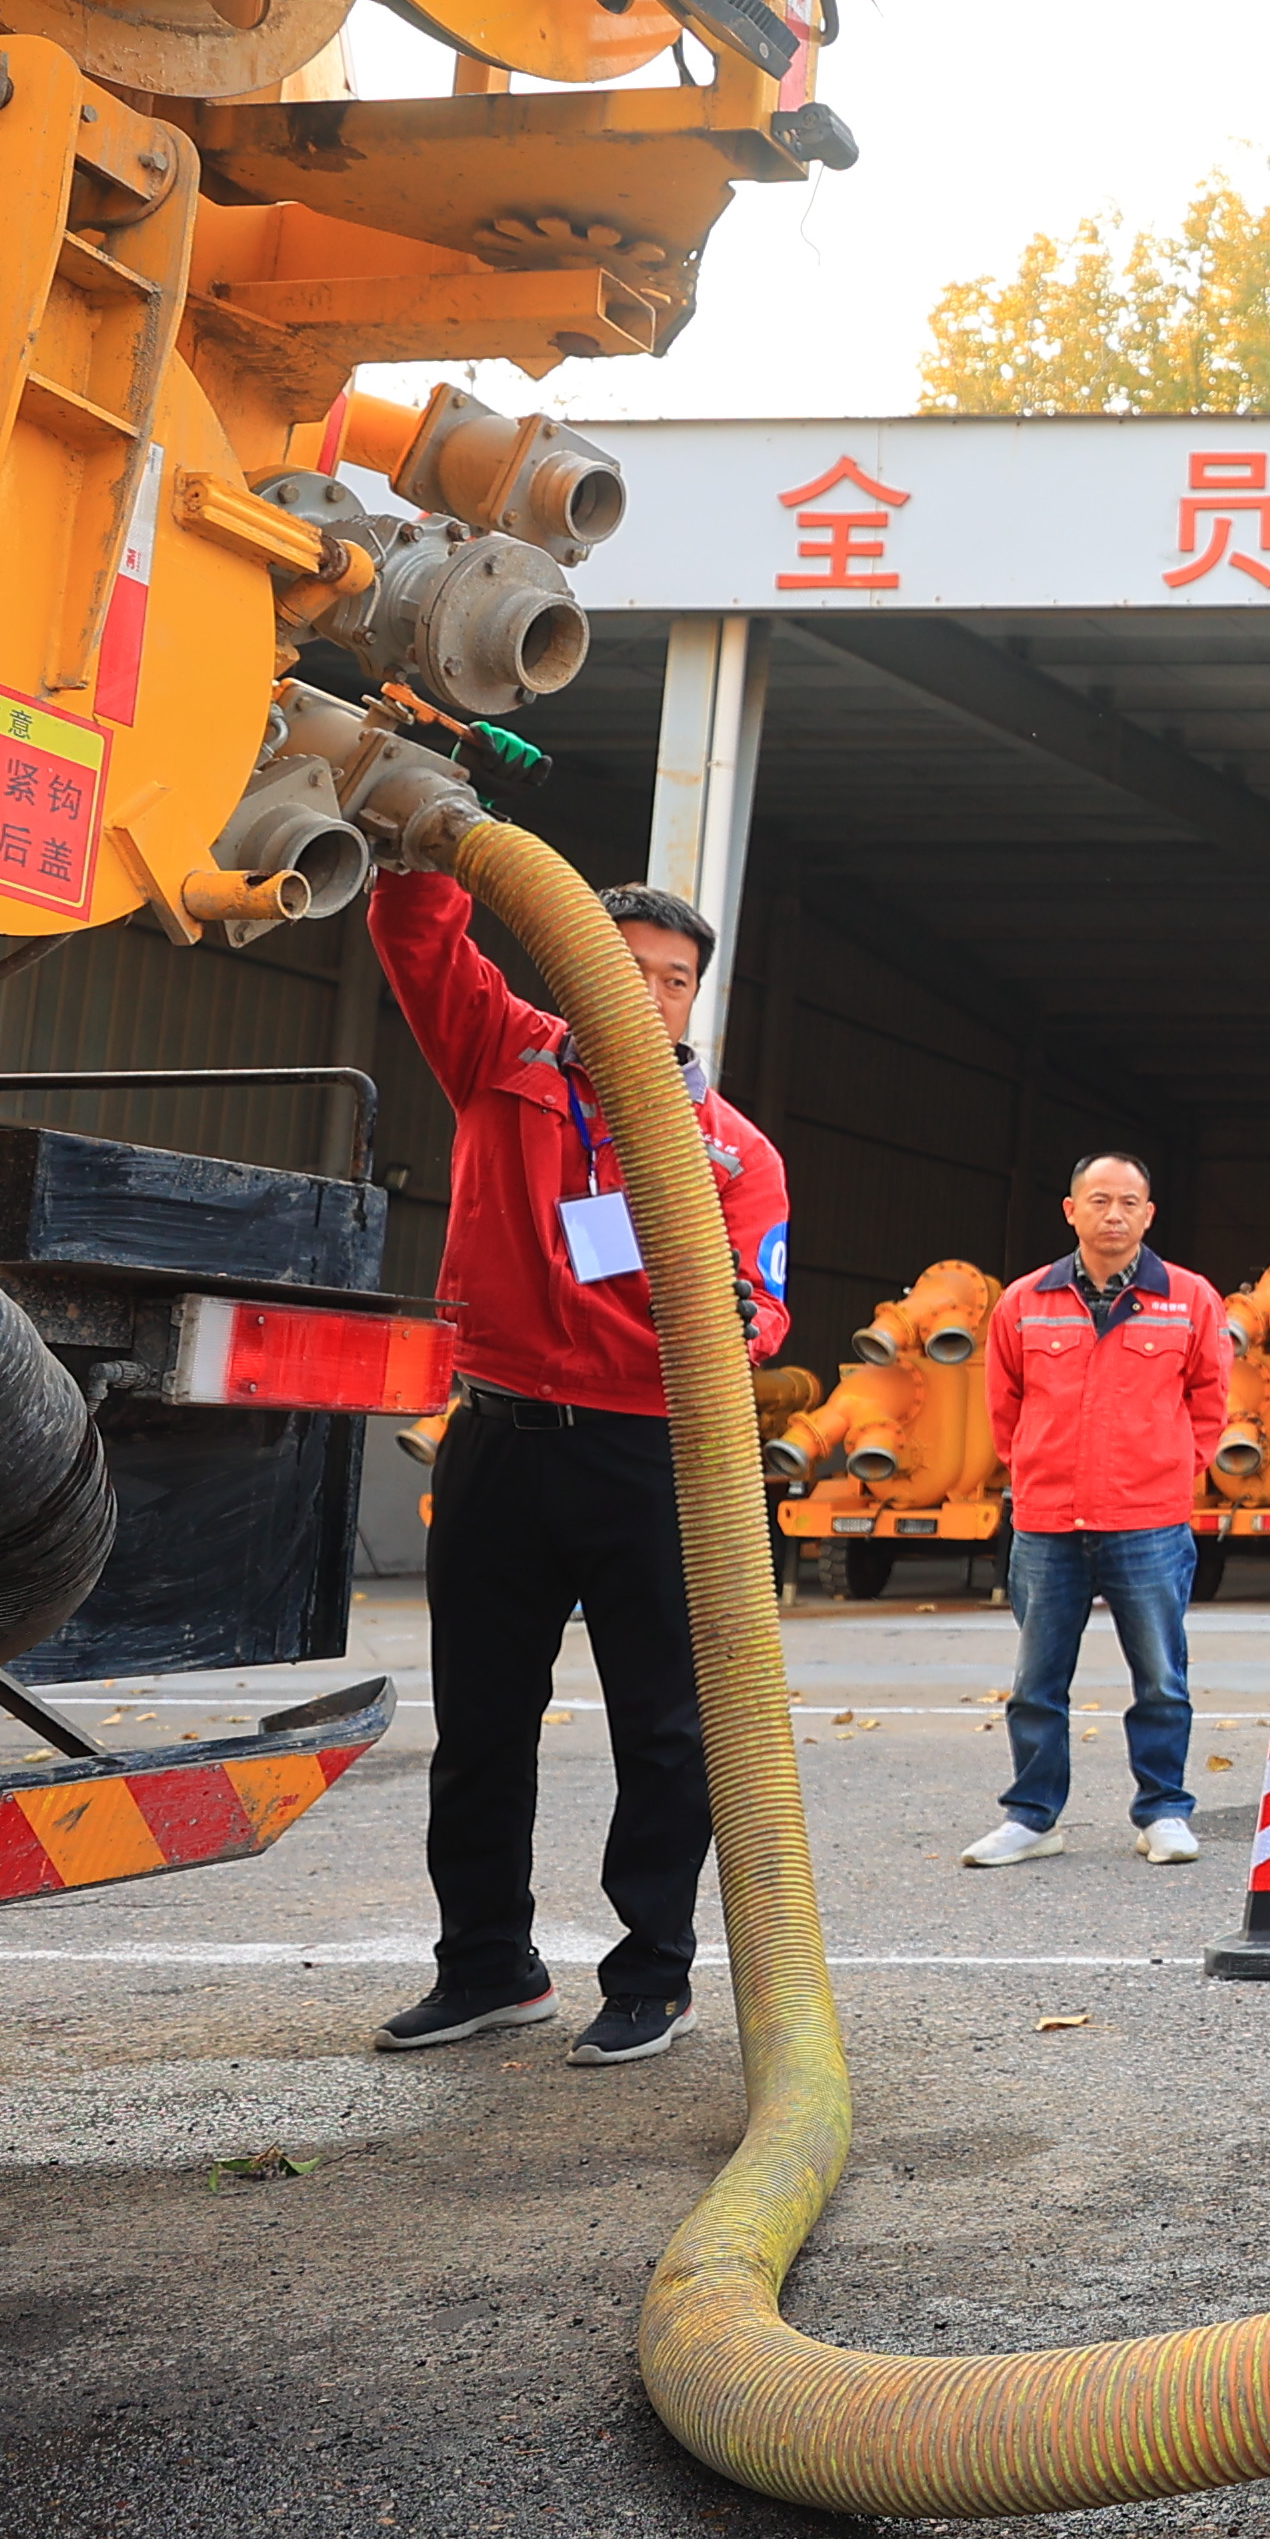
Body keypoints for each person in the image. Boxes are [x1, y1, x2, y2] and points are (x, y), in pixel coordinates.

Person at [363, 870, 786, 2070]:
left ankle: (653, 1976)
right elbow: (418, 936)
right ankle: (486, 1968)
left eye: (674, 980)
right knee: (484, 1726)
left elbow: (759, 1315)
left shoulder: (729, 1152)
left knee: (665, 1727)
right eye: (626, 965)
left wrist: (653, 1307)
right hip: (495, 1438)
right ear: (573, 963)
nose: (648, 994)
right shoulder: (502, 1054)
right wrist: (426, 828)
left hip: (651, 1451)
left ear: (693, 1002)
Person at [962, 1152, 1240, 1870]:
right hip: (1049, 1524)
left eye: (1128, 1203)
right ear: (1071, 1210)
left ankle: (1164, 1813)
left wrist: (1176, 1469)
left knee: (1160, 1678)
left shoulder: (1190, 1299)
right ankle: (1032, 1817)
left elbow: (1211, 1402)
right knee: (1036, 1684)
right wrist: (1035, 1472)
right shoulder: (1023, 1302)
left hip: (1148, 1522)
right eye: (1099, 1201)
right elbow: (1003, 1407)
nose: (1112, 1215)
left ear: (1149, 1214)